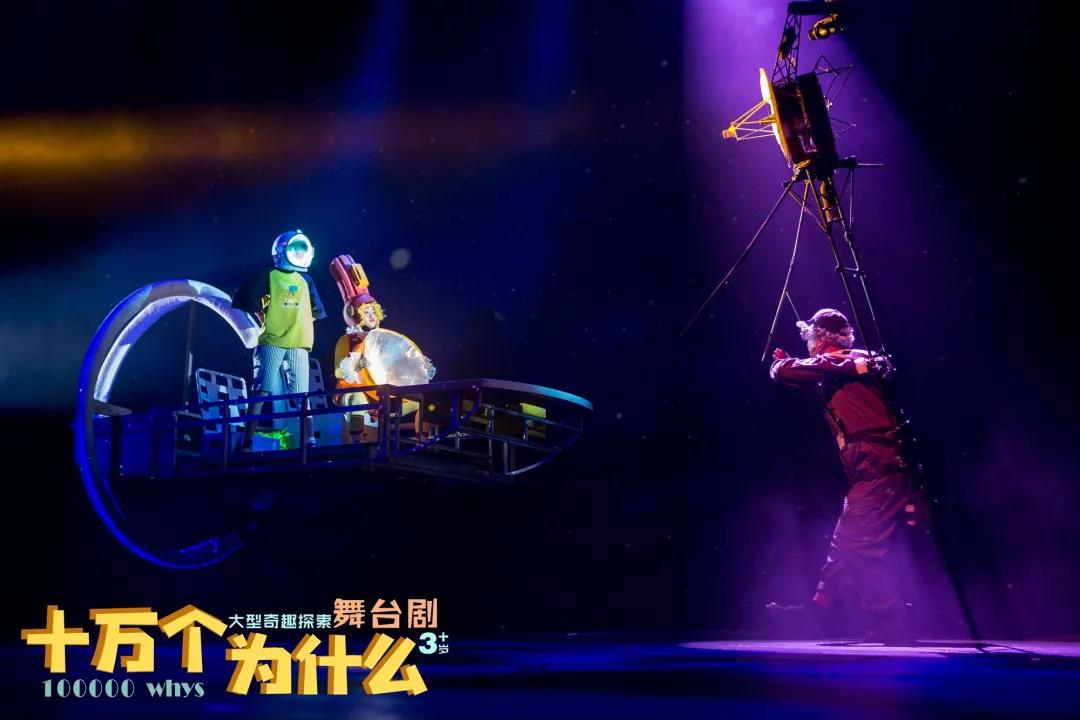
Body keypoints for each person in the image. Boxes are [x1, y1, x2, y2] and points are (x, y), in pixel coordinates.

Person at [767, 308, 916, 643]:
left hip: (878, 467)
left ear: (821, 339)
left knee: (859, 545)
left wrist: (786, 366)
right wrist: (796, 369)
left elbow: (790, 370)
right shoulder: (841, 370)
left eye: (811, 338)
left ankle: (891, 620)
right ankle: (821, 609)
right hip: (868, 469)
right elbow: (811, 376)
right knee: (847, 544)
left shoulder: (853, 360)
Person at [231, 229, 326, 449]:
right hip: (272, 340)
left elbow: (318, 310)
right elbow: (244, 298)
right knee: (261, 389)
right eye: (295, 248)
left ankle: (309, 439)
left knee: (302, 394)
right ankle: (248, 440)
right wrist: (264, 312)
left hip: (299, 342)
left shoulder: (306, 280)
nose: (299, 253)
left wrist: (299, 319)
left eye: (302, 249)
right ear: (283, 250)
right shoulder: (269, 275)